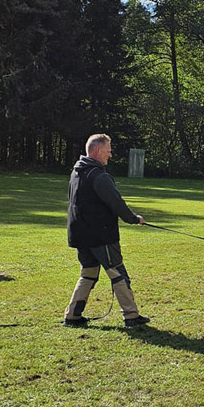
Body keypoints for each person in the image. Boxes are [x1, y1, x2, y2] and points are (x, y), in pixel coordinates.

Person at [63, 134, 151, 328]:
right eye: (108, 150)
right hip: (100, 235)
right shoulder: (99, 175)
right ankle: (131, 316)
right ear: (97, 151)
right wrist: (134, 219)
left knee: (88, 274)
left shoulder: (77, 172)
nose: (110, 155)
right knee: (118, 273)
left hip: (80, 234)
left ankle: (72, 316)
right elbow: (116, 203)